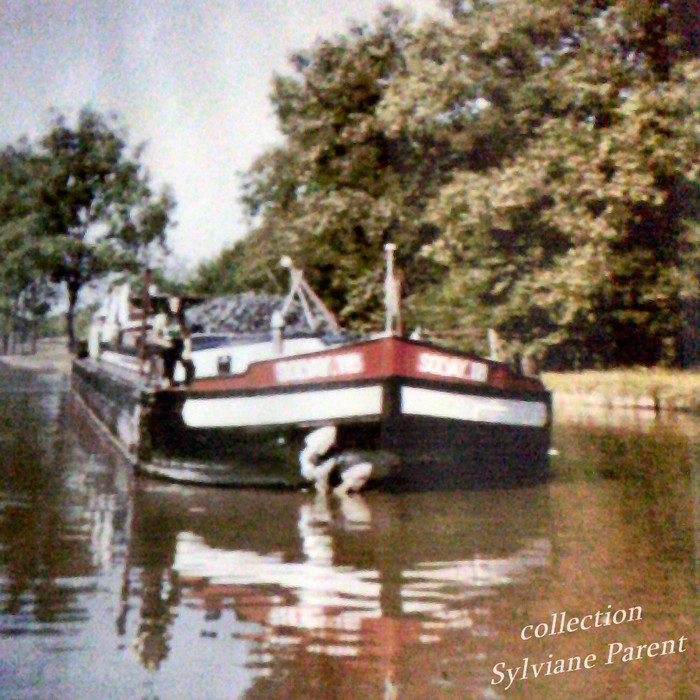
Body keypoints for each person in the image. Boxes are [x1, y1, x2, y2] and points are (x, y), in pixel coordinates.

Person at [152, 297, 195, 387]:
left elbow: (186, 337)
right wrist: (164, 342)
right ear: (169, 305)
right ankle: (167, 382)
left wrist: (187, 350)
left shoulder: (183, 319)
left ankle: (187, 386)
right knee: (168, 364)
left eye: (178, 304)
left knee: (189, 366)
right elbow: (155, 337)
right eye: (174, 304)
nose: (176, 306)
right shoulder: (162, 318)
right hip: (166, 345)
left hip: (179, 344)